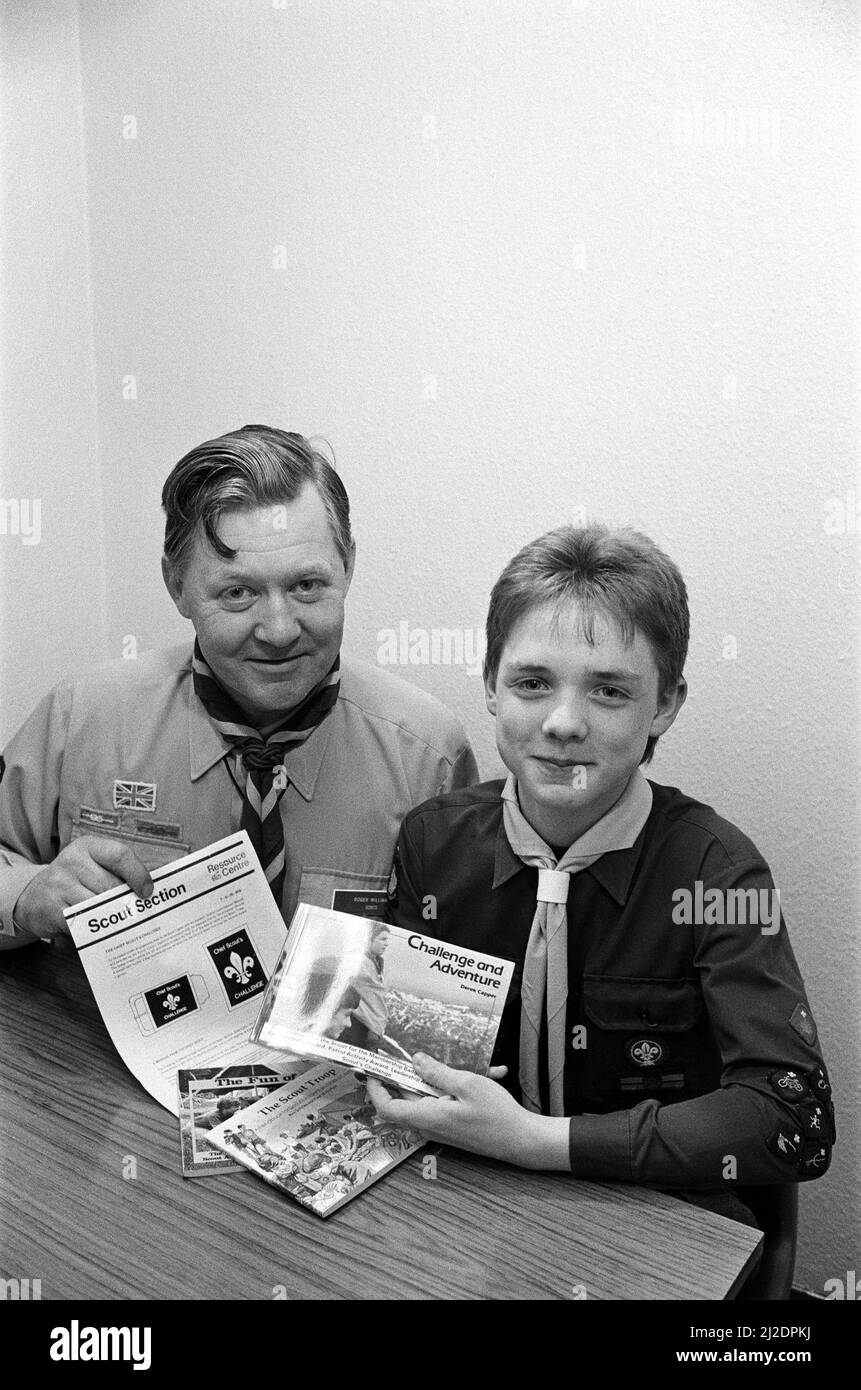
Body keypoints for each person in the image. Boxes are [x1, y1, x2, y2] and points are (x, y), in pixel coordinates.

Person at [369, 524, 834, 1215]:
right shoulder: (432, 841)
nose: (562, 723)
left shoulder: (720, 876)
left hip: (650, 1218)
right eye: (531, 682)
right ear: (491, 685)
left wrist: (533, 1140)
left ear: (665, 705)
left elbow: (794, 1120)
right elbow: (406, 1048)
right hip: (467, 1202)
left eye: (609, 692)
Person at [0, 425, 478, 948]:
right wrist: (24, 896)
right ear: (176, 585)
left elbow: (456, 972)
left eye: (307, 585)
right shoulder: (81, 718)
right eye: (238, 592)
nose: (279, 631)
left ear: (349, 566)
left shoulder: (429, 757)